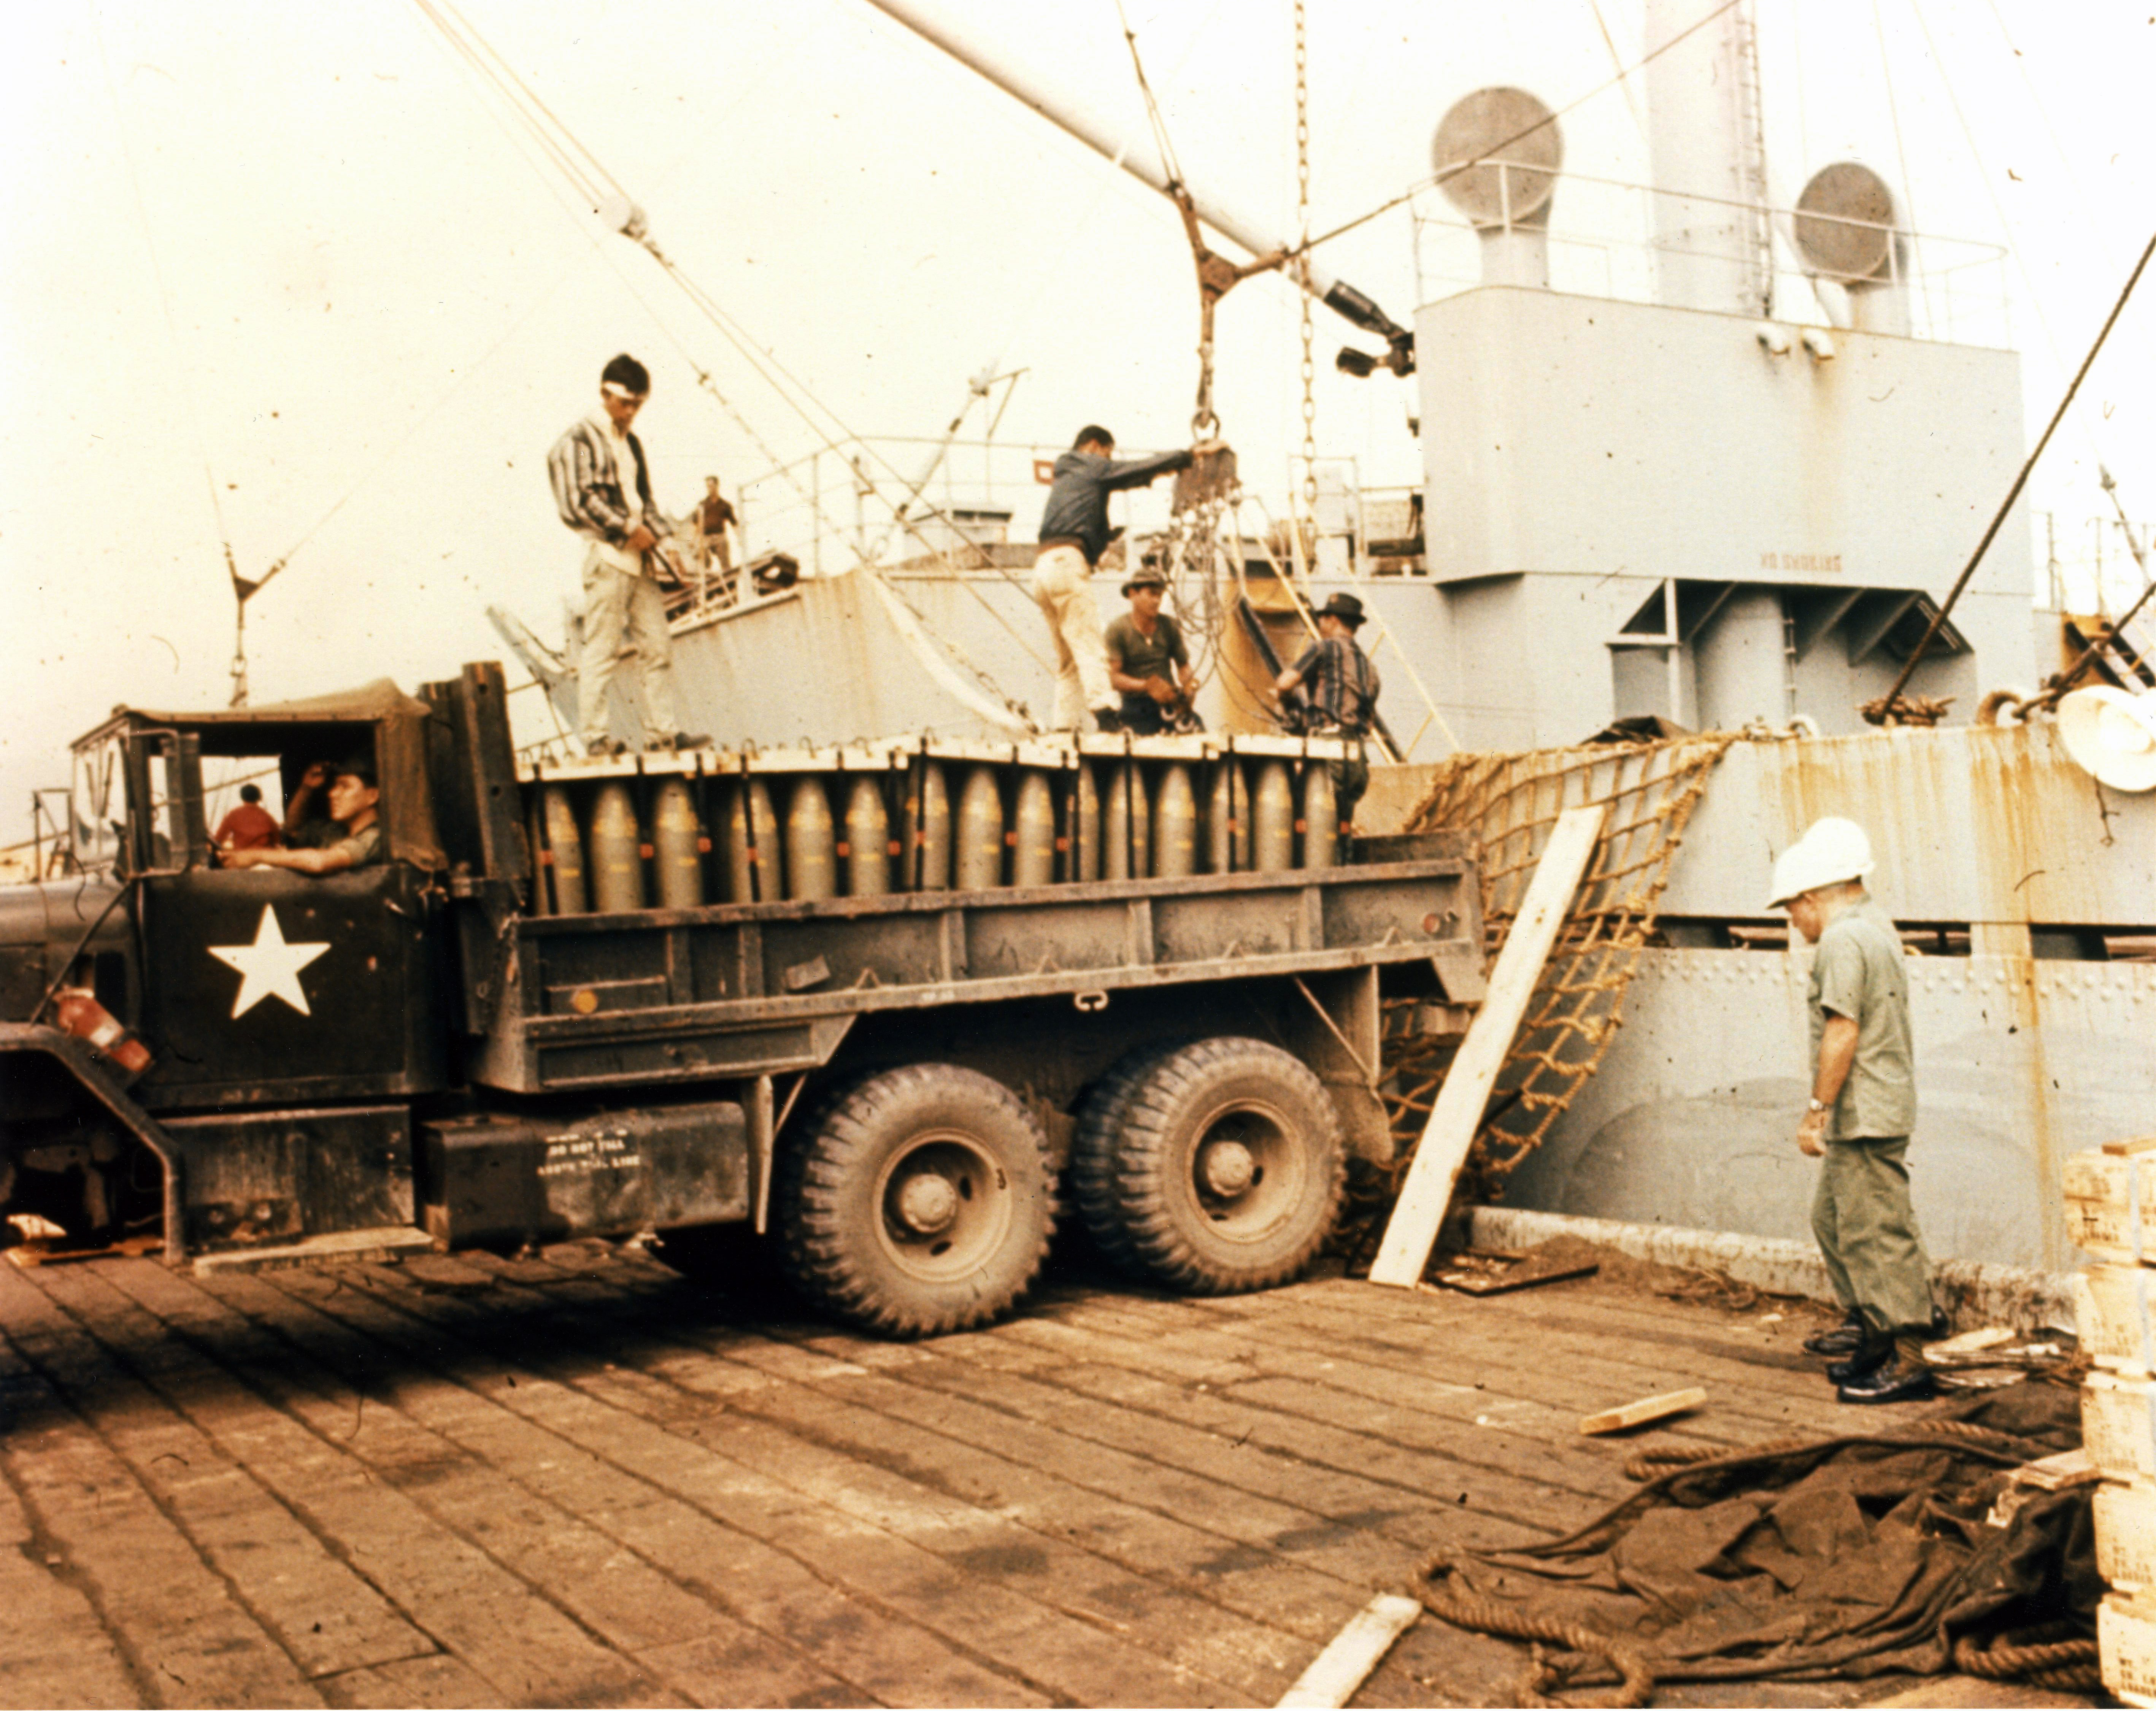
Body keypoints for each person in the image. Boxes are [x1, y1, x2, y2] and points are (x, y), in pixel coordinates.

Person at [1768, 816, 1943, 1405]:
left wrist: (1815, 1110)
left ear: (1812, 896)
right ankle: (1874, 1335)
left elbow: (1842, 1030)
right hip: (1873, 1104)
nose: (1792, 921)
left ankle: (1910, 1359)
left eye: (1791, 908)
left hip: (1864, 1108)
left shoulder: (1844, 939)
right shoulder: (1873, 923)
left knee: (1875, 1233)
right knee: (1835, 1221)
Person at [547, 353, 709, 757]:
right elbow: (575, 501)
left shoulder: (631, 443)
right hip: (608, 557)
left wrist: (664, 541)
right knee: (601, 649)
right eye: (627, 404)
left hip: (639, 561)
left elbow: (645, 500)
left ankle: (663, 735)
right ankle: (596, 738)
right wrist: (625, 527)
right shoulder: (578, 442)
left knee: (658, 646)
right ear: (606, 395)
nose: (632, 413)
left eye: (638, 405)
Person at [1033, 425, 1195, 732]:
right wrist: (1184, 458)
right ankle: (1107, 717)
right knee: (1091, 643)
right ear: (1095, 446)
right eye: (1107, 454)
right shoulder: (1088, 464)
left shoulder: (1068, 476)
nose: (1107, 461)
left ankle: (1064, 726)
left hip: (1043, 566)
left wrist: (1102, 536)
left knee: (1068, 659)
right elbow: (1131, 471)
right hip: (1067, 562)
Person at [1272, 592, 1380, 830]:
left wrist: (1286, 701)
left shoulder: (1325, 648)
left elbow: (1285, 683)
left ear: (1333, 620)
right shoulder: (1369, 667)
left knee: (1312, 829)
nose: (1320, 624)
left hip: (1329, 749)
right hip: (1357, 758)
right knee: (1341, 826)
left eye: (1323, 618)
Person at [223, 759, 384, 875]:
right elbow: (294, 829)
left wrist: (254, 856)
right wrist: (306, 788)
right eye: (335, 786)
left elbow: (321, 862)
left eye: (345, 786)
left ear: (373, 796)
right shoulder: (336, 831)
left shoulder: (376, 836)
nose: (332, 793)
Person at [1105, 565, 1198, 736]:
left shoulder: (1169, 626)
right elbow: (1113, 678)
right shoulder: (1118, 629)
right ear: (1133, 594)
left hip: (1169, 705)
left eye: (1160, 595)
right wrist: (1147, 686)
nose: (1157, 601)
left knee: (1200, 738)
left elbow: (1183, 666)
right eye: (1152, 594)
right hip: (1135, 708)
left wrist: (1188, 687)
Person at [214, 783, 280, 852]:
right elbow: (277, 840)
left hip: (244, 858)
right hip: (265, 856)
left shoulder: (234, 815)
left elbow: (219, 839)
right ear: (259, 797)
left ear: (242, 797)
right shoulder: (266, 816)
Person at [698, 476, 738, 579]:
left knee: (725, 563)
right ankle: (706, 581)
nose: (710, 489)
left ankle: (729, 580)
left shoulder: (725, 505)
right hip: (706, 537)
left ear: (717, 486)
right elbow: (696, 523)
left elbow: (734, 523)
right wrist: (695, 540)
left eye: (711, 486)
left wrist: (740, 538)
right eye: (708, 487)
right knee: (703, 560)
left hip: (720, 536)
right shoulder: (703, 504)